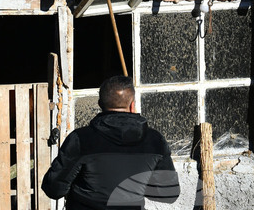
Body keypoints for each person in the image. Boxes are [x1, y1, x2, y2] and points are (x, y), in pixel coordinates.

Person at [41, 75, 180, 209]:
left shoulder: (81, 139)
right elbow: (169, 193)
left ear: (100, 104)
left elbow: (54, 188)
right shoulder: (154, 140)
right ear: (132, 105)